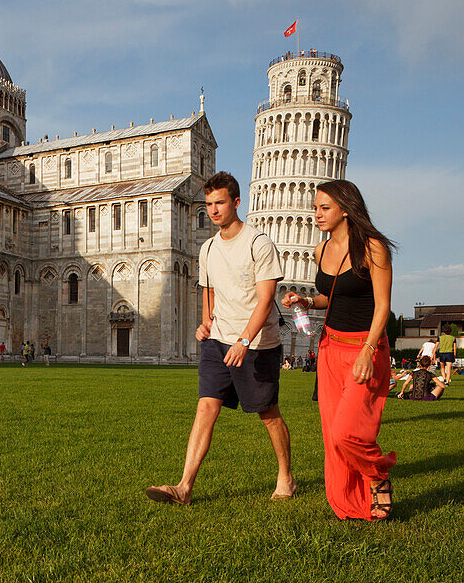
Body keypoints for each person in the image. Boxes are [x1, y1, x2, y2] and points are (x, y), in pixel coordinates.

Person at [146, 172, 295, 506]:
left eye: (220, 203)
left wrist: (243, 341)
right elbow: (209, 291)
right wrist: (205, 324)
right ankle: (184, 487)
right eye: (209, 204)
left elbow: (265, 298)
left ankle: (285, 476)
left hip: (257, 344)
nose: (213, 210)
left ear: (236, 203)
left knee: (268, 413)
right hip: (218, 342)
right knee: (205, 408)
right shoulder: (208, 248)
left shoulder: (258, 243)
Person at [283, 179, 397, 521]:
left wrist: (368, 350)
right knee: (333, 436)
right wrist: (308, 301)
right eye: (315, 207)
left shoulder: (373, 248)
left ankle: (378, 479)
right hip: (330, 349)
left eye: (324, 208)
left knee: (350, 431)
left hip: (365, 350)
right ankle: (350, 502)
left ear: (345, 209)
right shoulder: (320, 250)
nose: (316, 214)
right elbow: (333, 297)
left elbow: (383, 307)